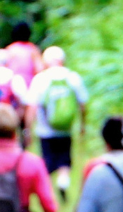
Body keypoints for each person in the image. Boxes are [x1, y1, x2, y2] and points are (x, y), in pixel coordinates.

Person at [29, 47, 90, 199]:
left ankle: (46, 193)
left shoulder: (41, 79)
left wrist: (28, 129)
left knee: (47, 162)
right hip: (66, 128)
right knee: (64, 159)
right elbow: (83, 104)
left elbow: (33, 106)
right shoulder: (73, 77)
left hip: (45, 129)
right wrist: (82, 124)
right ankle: (63, 183)